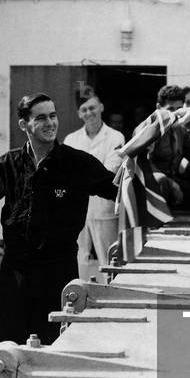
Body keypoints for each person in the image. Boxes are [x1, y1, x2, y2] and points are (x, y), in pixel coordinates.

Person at [0, 94, 118, 345]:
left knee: (56, 343)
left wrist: (136, 163)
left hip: (57, 270)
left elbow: (118, 190)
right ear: (24, 125)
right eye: (41, 117)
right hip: (16, 272)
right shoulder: (8, 163)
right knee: (9, 342)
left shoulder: (76, 163)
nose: (50, 123)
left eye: (53, 116)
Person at [62, 92, 125, 269]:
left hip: (104, 211)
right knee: (78, 262)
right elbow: (66, 174)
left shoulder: (116, 137)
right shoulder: (71, 140)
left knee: (111, 261)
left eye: (92, 107)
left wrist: (79, 179)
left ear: (101, 107)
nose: (89, 113)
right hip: (76, 212)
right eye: (84, 109)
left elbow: (108, 172)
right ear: (79, 114)